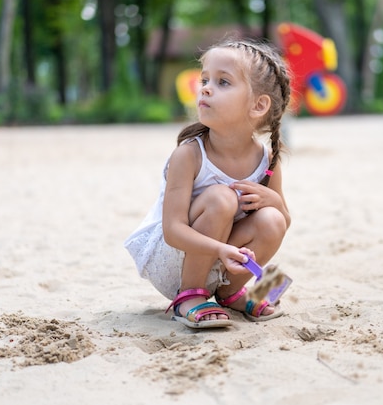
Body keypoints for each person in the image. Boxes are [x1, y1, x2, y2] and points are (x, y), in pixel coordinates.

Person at [124, 38, 292, 329]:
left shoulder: (268, 159)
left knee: (272, 220)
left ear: (258, 105)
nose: (205, 87)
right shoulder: (189, 155)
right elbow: (173, 230)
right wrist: (218, 249)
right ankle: (189, 296)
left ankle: (231, 293)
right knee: (221, 198)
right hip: (175, 261)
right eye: (204, 79)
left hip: (225, 263)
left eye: (223, 82)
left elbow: (284, 221)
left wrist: (272, 201)